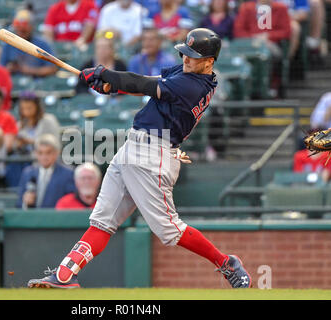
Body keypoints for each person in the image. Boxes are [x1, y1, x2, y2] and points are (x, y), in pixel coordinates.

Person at [27, 28, 252, 289]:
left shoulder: (193, 85)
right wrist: (111, 86)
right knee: (102, 220)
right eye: (185, 54)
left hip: (152, 155)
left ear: (209, 61)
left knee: (170, 230)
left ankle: (226, 263)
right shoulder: (187, 73)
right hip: (134, 147)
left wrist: (105, 73)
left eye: (192, 56)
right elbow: (147, 84)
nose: (186, 59)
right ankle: (65, 274)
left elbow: (144, 84)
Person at [17, 134, 76, 209]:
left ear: (56, 153)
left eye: (48, 152)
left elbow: (71, 202)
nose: (44, 157)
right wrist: (25, 202)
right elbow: (19, 203)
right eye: (40, 153)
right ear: (35, 153)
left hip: (56, 218)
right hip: (31, 218)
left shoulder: (68, 174)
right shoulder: (27, 173)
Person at [0, 9, 57, 77]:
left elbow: (52, 69)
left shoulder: (42, 44)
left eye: (24, 28)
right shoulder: (8, 45)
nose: (21, 29)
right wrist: (9, 68)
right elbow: (1, 70)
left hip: (37, 83)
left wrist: (29, 70)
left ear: (31, 27)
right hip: (14, 83)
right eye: (18, 26)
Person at [14, 91, 61, 155]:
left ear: (37, 107)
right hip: (24, 158)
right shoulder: (19, 125)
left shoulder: (49, 120)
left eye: (29, 108)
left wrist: (31, 142)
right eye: (23, 109)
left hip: (45, 159)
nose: (26, 112)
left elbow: (56, 143)